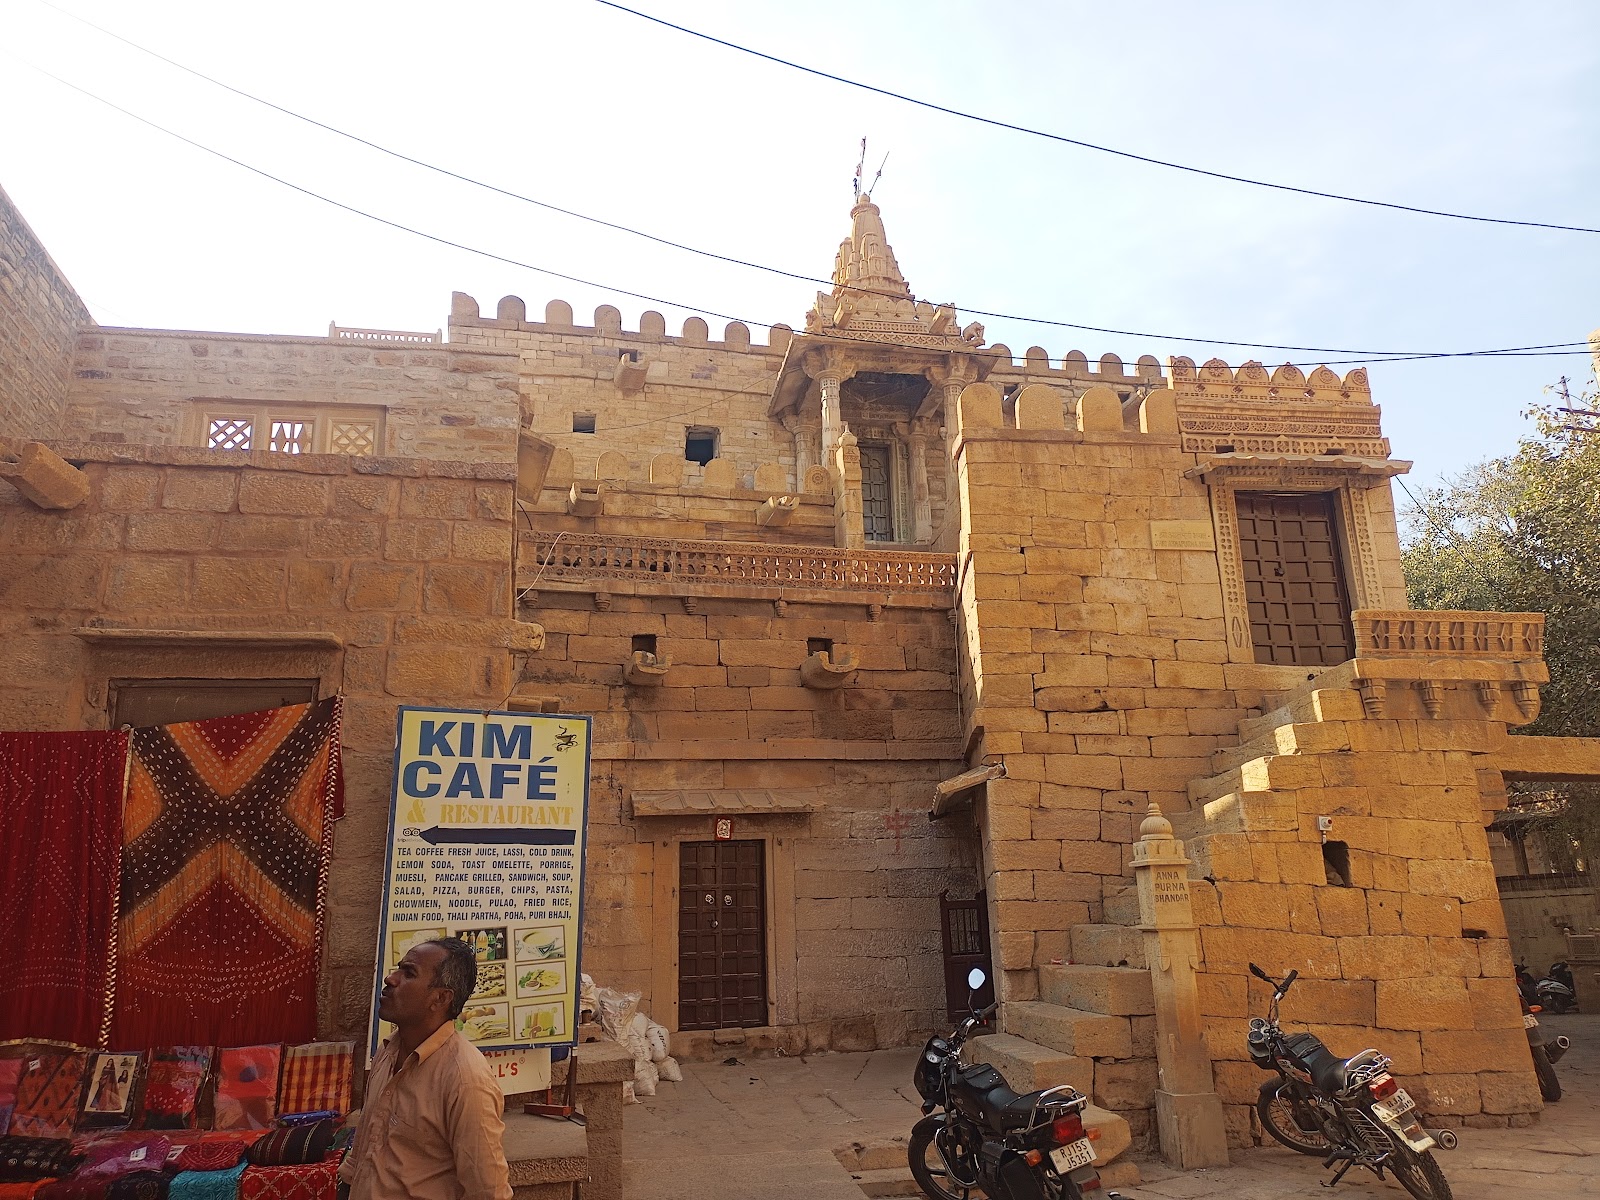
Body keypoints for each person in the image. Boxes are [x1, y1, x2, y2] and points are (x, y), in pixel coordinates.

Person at [340, 937, 512, 1200]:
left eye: (408, 973)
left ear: (440, 998)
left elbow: (488, 1192)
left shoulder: (465, 1080)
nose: (391, 979)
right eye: (398, 969)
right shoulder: (388, 1052)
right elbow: (364, 1146)